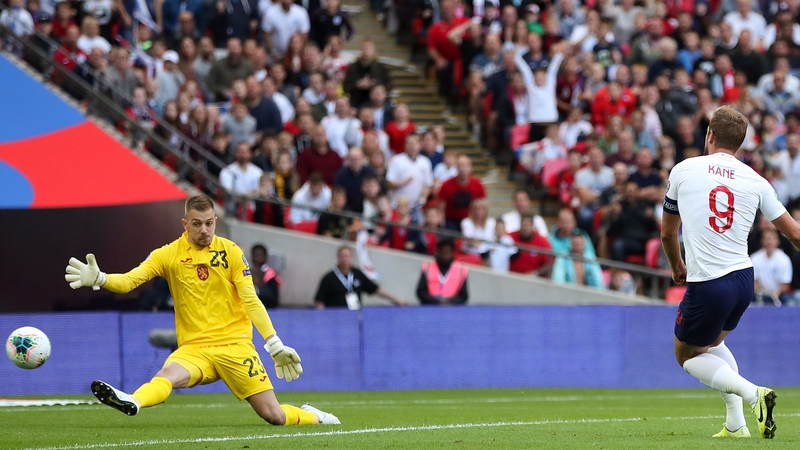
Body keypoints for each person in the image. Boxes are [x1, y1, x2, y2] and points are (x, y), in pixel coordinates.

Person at [64, 195, 339, 425]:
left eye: (209, 223)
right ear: (185, 224)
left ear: (215, 222)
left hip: (236, 347)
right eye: (197, 224)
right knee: (166, 376)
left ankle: (312, 416)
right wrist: (101, 279)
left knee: (274, 416)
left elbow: (251, 300)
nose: (204, 230)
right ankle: (133, 400)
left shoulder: (231, 252)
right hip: (195, 349)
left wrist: (273, 343)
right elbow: (129, 281)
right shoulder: (167, 254)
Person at [661, 106, 800, 440]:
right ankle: (736, 424)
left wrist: (677, 265)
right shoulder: (756, 180)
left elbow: (668, 233)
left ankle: (755, 396)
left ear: (709, 135)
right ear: (740, 142)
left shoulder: (684, 169)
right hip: (743, 280)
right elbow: (794, 234)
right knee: (709, 345)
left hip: (709, 282)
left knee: (687, 354)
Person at [314, 246, 406, 309]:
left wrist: (396, 300)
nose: (346, 259)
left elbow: (377, 289)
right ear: (338, 257)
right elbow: (319, 301)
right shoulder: (329, 278)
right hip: (336, 318)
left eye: (348, 256)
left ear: (352, 257)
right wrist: (322, 319)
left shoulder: (357, 274)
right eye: (343, 256)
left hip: (355, 317)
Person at [437, 155, 487, 231]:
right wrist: (442, 223)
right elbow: (441, 206)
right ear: (456, 167)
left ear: (470, 168)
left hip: (470, 219)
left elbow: (483, 204)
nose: (463, 169)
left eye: (465, 166)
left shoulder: (478, 184)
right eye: (460, 166)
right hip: (451, 220)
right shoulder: (446, 185)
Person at [416, 240, 469, 305]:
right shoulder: (428, 267)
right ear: (438, 252)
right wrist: (435, 302)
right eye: (443, 252)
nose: (445, 256)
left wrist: (449, 302)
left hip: (451, 309)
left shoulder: (461, 270)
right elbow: (420, 291)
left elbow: (464, 296)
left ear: (452, 253)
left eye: (447, 252)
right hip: (430, 306)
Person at [751, 228, 793, 306]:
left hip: (779, 295)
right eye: (767, 238)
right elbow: (754, 282)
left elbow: (785, 284)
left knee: (790, 301)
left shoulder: (784, 259)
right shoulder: (754, 258)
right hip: (761, 294)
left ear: (778, 241)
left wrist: (776, 292)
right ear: (762, 241)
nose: (769, 242)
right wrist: (762, 291)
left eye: (773, 238)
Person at [250, 244, 280, 308]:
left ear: (265, 257)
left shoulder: (271, 275)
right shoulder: (248, 272)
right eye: (254, 256)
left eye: (259, 256)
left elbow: (274, 299)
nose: (257, 259)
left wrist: (257, 289)